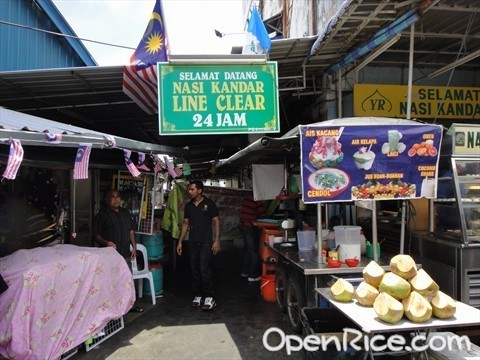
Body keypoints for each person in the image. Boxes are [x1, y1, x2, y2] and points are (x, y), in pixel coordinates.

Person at [93, 189, 143, 313]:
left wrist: (134, 247)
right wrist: (106, 243)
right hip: (110, 256)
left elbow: (131, 230)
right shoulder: (102, 215)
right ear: (107, 200)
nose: (116, 199)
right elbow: (95, 234)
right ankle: (113, 308)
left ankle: (130, 305)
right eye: (112, 197)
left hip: (125, 254)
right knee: (111, 282)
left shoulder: (125, 212)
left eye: (118, 197)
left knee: (127, 280)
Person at [176, 180, 220, 311]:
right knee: (194, 268)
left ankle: (209, 296)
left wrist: (217, 240)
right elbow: (185, 224)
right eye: (189, 190)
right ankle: (198, 294)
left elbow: (217, 221)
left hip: (206, 241)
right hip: (193, 242)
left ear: (199, 190)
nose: (189, 192)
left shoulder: (209, 203)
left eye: (192, 189)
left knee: (203, 268)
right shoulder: (189, 206)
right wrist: (180, 241)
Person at [239, 193, 266, 282]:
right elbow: (262, 214)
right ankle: (253, 275)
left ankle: (245, 271)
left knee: (248, 250)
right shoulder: (256, 198)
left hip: (243, 226)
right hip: (249, 227)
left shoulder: (247, 197)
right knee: (254, 252)